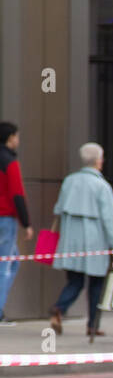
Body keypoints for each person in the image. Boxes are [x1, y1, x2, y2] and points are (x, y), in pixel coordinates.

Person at [48, 143, 113, 339]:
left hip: (71, 239)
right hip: (94, 240)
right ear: (98, 161)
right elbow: (110, 218)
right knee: (97, 284)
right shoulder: (102, 186)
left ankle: (59, 307)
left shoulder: (69, 181)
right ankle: (92, 325)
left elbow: (58, 209)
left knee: (75, 281)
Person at [0, 122, 33, 325]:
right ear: (11, 138)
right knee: (7, 264)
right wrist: (26, 223)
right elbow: (17, 193)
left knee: (11, 261)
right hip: (5, 218)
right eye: (17, 137)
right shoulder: (10, 162)